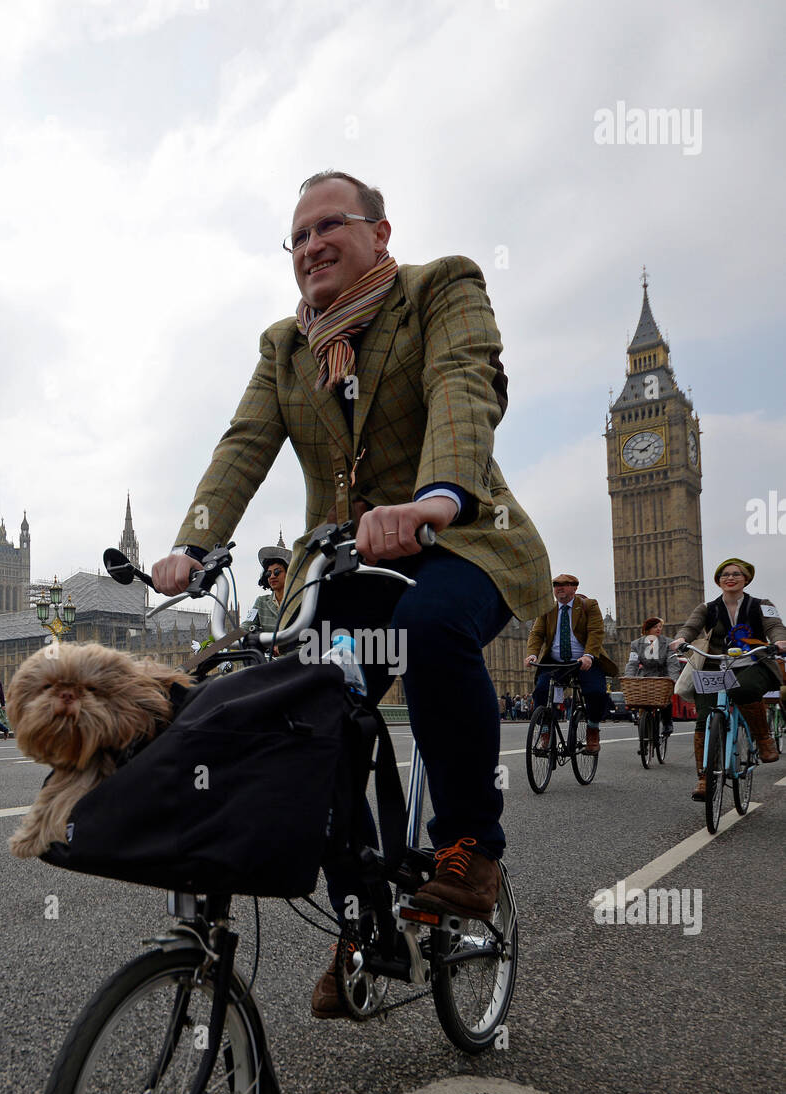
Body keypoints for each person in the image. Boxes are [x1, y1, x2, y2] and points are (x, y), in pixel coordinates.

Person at [151, 169, 552, 1017]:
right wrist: (194, 539)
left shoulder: (440, 287)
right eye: (296, 238)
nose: (310, 247)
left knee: (430, 626)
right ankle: (361, 916)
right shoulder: (284, 346)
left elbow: (461, 385)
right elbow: (243, 444)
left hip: (458, 538)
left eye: (328, 225)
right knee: (313, 706)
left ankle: (470, 846)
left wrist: (436, 495)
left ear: (380, 231)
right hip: (344, 561)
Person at [670, 558, 786, 798]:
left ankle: (763, 739)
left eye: (736, 574)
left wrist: (779, 641)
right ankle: (704, 778)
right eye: (724, 575)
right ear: (719, 581)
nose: (730, 578)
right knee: (703, 718)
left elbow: (775, 625)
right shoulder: (707, 608)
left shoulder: (762, 604)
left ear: (746, 579)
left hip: (753, 663)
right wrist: (681, 639)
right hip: (714, 665)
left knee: (743, 690)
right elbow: (690, 627)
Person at [525, 575, 617, 752]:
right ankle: (545, 733)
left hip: (583, 660)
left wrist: (589, 655)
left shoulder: (588, 605)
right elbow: (536, 634)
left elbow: (596, 632)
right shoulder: (547, 609)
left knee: (596, 692)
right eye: (556, 585)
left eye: (565, 585)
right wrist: (532, 654)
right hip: (556, 662)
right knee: (541, 692)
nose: (559, 588)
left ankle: (592, 728)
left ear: (575, 588)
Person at [624, 617, 680, 735]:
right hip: (645, 676)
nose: (658, 629)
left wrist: (673, 679)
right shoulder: (636, 644)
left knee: (665, 700)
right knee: (642, 701)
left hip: (662, 675)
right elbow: (632, 663)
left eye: (660, 626)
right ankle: (643, 730)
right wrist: (629, 678)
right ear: (647, 629)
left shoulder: (669, 643)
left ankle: (667, 722)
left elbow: (672, 663)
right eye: (655, 627)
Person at [244, 540, 292, 636]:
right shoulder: (261, 602)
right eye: (268, 573)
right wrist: (215, 646)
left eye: (277, 572)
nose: (272, 576)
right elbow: (245, 626)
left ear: (289, 574)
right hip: (269, 650)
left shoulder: (299, 600)